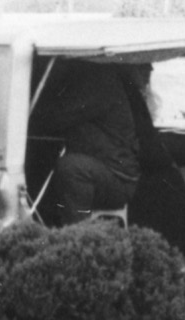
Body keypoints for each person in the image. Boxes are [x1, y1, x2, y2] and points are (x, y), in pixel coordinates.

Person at [27, 58, 143, 223]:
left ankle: (78, 234)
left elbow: (58, 117)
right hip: (103, 169)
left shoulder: (99, 83)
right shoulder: (91, 79)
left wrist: (24, 116)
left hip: (118, 178)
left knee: (72, 168)